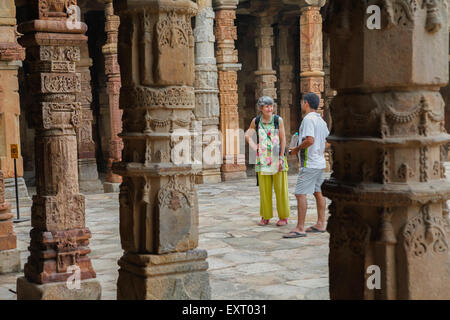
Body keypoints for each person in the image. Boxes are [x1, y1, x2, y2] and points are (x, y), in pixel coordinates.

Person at [283, 92, 329, 238]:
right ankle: (321, 223)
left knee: (300, 193)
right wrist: (320, 150)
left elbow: (309, 140)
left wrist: (295, 149)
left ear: (306, 103)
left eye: (303, 102)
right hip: (320, 162)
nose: (302, 104)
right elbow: (328, 140)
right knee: (318, 192)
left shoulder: (308, 119)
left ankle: (300, 228)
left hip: (309, 164)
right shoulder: (321, 121)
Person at [245, 96, 290, 226]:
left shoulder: (277, 120)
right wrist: (254, 146)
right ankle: (266, 216)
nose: (270, 109)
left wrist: (282, 157)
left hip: (277, 157)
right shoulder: (256, 121)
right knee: (264, 190)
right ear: (261, 108)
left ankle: (283, 216)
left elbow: (283, 139)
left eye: (271, 106)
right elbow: (247, 135)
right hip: (263, 159)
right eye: (267, 106)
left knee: (280, 189)